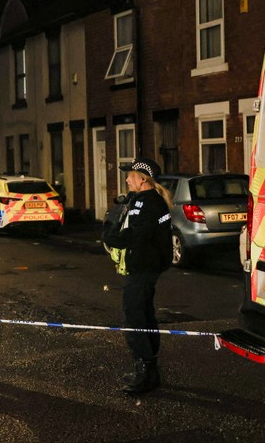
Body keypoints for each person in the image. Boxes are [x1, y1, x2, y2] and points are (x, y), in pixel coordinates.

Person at [102, 157, 173, 394]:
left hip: (142, 269)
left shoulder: (148, 203)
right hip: (148, 267)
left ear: (143, 179)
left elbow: (135, 235)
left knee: (134, 318)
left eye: (129, 175)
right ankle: (150, 371)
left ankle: (145, 372)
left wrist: (108, 234)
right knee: (145, 316)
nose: (126, 179)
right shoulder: (149, 200)